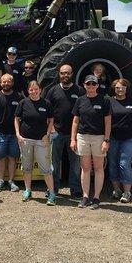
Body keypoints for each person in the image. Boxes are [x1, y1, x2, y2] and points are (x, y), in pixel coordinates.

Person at [71, 75, 111, 209]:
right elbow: (75, 121)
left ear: (97, 85)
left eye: (93, 84)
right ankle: (85, 196)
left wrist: (106, 140)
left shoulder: (105, 100)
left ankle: (96, 197)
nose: (91, 86)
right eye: (88, 84)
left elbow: (108, 122)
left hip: (99, 137)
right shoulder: (80, 100)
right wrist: (73, 139)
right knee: (85, 168)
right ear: (84, 85)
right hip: (82, 137)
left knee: (99, 168)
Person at [44, 64, 83, 198]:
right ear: (59, 74)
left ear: (72, 74)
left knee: (75, 164)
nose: (65, 75)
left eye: (67, 73)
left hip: (75, 134)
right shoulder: (52, 91)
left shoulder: (79, 90)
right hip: (57, 133)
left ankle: (76, 189)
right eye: (62, 73)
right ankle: (53, 188)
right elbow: (47, 111)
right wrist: (51, 128)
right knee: (54, 164)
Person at [14, 81, 55, 204]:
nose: (34, 91)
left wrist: (47, 134)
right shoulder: (23, 103)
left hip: (41, 140)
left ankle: (52, 194)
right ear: (28, 91)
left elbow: (51, 119)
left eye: (36, 89)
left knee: (46, 168)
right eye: (31, 90)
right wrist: (18, 134)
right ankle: (28, 190)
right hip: (26, 140)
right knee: (27, 167)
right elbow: (16, 118)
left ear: (40, 90)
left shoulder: (46, 103)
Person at [0, 73, 22, 193]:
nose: (6, 83)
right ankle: (1, 181)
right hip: (0, 133)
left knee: (12, 157)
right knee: (1, 157)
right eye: (4, 81)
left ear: (12, 83)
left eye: (8, 81)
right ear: (0, 83)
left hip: (14, 133)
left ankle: (11, 181)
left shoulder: (19, 97)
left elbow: (21, 116)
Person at [108, 78, 132, 203]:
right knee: (113, 163)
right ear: (114, 89)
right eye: (117, 88)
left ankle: (127, 192)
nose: (120, 90)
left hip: (128, 138)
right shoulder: (109, 102)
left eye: (123, 87)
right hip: (113, 138)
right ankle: (116, 190)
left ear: (127, 88)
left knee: (124, 164)